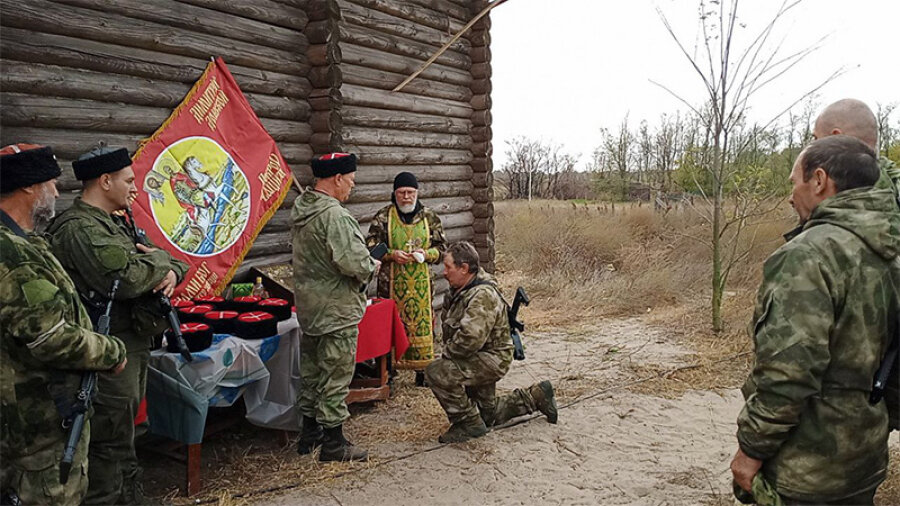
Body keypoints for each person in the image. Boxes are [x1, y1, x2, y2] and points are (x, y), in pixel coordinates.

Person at [730, 135, 899, 505]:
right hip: (865, 457)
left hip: (806, 468)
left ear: (819, 181)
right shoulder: (889, 248)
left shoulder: (809, 254)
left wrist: (751, 450)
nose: (791, 195)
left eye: (794, 182)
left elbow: (788, 372)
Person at [47, 146, 188, 505]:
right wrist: (159, 263)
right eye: (128, 180)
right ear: (105, 181)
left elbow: (173, 262)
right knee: (108, 439)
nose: (135, 188)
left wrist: (166, 269)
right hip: (105, 350)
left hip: (130, 344)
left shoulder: (116, 224)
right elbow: (126, 278)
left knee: (127, 431)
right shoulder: (80, 229)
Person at [0, 144, 128, 505]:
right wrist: (110, 351)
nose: (56, 192)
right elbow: (50, 338)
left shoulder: (27, 243)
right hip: (34, 429)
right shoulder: (13, 254)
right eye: (51, 183)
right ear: (29, 187)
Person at [425, 241, 558, 443]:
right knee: (487, 415)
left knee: (436, 371)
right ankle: (536, 396)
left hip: (490, 359)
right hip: (478, 356)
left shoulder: (481, 295)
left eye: (448, 267)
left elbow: (469, 340)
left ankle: (467, 424)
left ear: (464, 269)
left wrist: (445, 357)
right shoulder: (461, 286)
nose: (444, 272)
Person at [292, 153, 377, 462]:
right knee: (336, 376)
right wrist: (372, 265)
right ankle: (334, 444)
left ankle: (309, 434)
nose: (351, 188)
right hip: (336, 310)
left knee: (312, 372)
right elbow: (353, 262)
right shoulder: (335, 216)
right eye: (350, 181)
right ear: (337, 178)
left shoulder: (303, 210)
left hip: (310, 308)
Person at [365, 172, 446, 386]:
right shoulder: (383, 217)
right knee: (391, 327)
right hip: (390, 285)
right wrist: (392, 254)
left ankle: (423, 372)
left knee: (422, 327)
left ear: (417, 193)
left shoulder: (430, 217)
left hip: (422, 286)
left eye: (411, 192)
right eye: (402, 192)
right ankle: (389, 371)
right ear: (395, 193)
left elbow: (442, 249)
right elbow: (371, 247)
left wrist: (426, 255)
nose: (407, 197)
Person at [813, 98, 900, 197]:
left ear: (837, 138)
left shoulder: (834, 196)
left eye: (816, 138)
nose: (812, 147)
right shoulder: (892, 184)